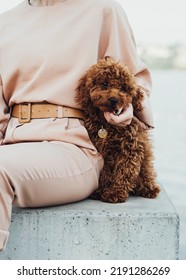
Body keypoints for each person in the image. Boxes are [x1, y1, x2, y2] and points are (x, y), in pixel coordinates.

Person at [0, 0, 154, 251]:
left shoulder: (102, 9)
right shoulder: (4, 21)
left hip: (73, 145)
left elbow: (133, 81)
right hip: (11, 142)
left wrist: (128, 108)